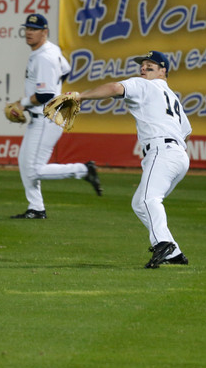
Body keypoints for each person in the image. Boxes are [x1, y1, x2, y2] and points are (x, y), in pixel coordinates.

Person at [75, 51, 191, 268]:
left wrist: (81, 96)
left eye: (151, 65)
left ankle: (162, 244)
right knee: (140, 202)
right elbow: (186, 132)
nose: (144, 68)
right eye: (143, 65)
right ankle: (173, 251)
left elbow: (114, 88)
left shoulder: (144, 85)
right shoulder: (173, 97)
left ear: (163, 70)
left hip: (161, 151)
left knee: (149, 200)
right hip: (178, 156)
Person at [9, 13, 102, 219]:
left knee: (34, 169)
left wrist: (21, 103)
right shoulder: (50, 50)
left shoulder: (45, 57)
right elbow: (66, 69)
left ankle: (84, 170)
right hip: (47, 115)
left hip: (47, 116)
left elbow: (45, 95)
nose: (29, 33)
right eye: (28, 29)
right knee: (25, 162)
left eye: (35, 29)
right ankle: (36, 208)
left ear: (45, 32)